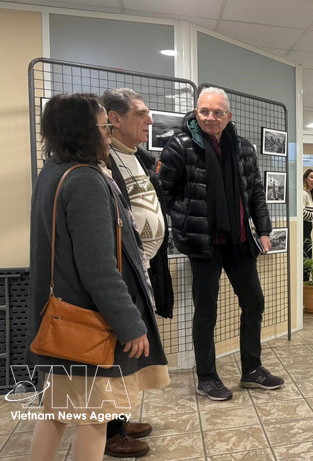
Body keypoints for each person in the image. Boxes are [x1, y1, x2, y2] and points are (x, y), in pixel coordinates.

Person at [28, 93, 169, 461]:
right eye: (104, 126)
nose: (108, 133)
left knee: (56, 412)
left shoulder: (53, 172)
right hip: (88, 324)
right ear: (85, 130)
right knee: (95, 419)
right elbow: (99, 267)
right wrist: (130, 324)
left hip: (63, 323)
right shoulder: (86, 180)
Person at [159, 87, 283, 400]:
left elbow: (256, 191)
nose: (210, 118)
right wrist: (186, 217)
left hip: (239, 240)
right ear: (196, 113)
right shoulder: (180, 146)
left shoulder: (243, 148)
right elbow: (164, 192)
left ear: (228, 116)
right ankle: (207, 377)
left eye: (217, 112)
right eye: (204, 111)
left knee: (254, 301)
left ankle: (252, 370)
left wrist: (264, 230)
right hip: (204, 243)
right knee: (206, 310)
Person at [100, 88, 175, 457]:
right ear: (114, 119)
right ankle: (108, 431)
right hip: (121, 272)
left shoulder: (139, 157)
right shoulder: (102, 160)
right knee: (117, 349)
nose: (149, 120)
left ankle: (119, 419)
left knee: (130, 352)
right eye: (141, 113)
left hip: (144, 270)